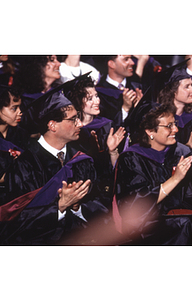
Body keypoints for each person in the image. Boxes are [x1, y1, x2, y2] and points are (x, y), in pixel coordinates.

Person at [1, 88, 110, 245]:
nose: (79, 123)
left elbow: (102, 204)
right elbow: (14, 223)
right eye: (73, 119)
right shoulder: (25, 166)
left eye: (78, 117)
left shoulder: (81, 161)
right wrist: (59, 207)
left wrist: (77, 207)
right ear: (52, 125)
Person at [114, 103, 192, 245]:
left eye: (174, 123)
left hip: (180, 219)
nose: (175, 129)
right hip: (148, 226)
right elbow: (135, 205)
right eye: (169, 126)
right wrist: (175, 179)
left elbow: (191, 198)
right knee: (187, 226)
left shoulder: (181, 152)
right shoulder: (132, 159)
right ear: (150, 131)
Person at [66, 74, 125, 210]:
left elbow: (116, 168)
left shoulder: (107, 126)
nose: (97, 101)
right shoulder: (70, 129)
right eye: (90, 98)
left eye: (96, 96)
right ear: (78, 102)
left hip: (103, 191)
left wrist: (113, 151)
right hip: (78, 191)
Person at [157, 66, 192, 160]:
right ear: (173, 92)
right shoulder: (159, 118)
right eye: (187, 87)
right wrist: (188, 146)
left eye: (191, 85)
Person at [13, 55, 62, 136]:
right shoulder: (24, 99)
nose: (59, 64)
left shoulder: (61, 93)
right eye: (52, 60)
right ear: (38, 65)